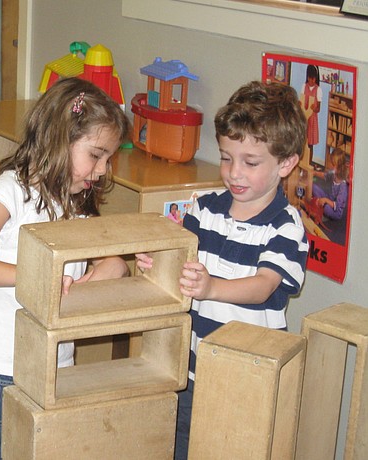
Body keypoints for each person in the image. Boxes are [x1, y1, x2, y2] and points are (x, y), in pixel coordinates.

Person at [0, 78, 150, 460]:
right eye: (96, 155)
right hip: (1, 365)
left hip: (54, 361)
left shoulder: (75, 202)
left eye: (108, 159)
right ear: (59, 139)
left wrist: (113, 268)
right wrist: (36, 276)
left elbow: (109, 261)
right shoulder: (10, 191)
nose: (102, 170)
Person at [173, 81, 309, 459]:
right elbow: (182, 261)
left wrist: (211, 288)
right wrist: (163, 265)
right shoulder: (204, 209)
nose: (234, 173)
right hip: (193, 371)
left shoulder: (285, 226)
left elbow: (263, 286)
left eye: (250, 163)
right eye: (226, 157)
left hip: (248, 376)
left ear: (286, 164)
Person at [312, 147, 349, 222]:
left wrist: (325, 200)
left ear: (339, 167)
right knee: (314, 187)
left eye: (333, 165)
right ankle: (320, 206)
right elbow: (325, 175)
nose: (331, 166)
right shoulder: (334, 173)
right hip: (330, 199)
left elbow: (337, 207)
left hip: (335, 211)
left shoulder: (343, 186)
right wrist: (315, 173)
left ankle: (322, 212)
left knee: (325, 207)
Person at [302, 65, 322, 159]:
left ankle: (309, 161)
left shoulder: (318, 89)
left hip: (312, 119)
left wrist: (315, 108)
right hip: (304, 117)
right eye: (310, 78)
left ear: (316, 78)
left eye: (313, 79)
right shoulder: (304, 86)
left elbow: (318, 109)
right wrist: (299, 103)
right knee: (302, 141)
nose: (311, 81)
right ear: (307, 77)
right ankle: (301, 161)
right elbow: (302, 101)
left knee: (310, 143)